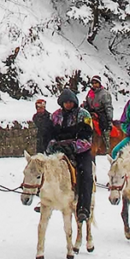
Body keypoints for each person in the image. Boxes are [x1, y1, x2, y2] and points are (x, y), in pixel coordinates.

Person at [46, 88, 94, 222]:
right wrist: (53, 145)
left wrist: (74, 146)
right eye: (65, 102)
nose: (68, 105)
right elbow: (49, 135)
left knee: (86, 174)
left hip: (79, 150)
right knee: (46, 169)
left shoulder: (84, 115)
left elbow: (88, 137)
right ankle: (45, 199)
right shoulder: (55, 116)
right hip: (59, 149)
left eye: (70, 102)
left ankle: (83, 207)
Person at [81, 75, 114, 153]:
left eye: (96, 83)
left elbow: (108, 107)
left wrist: (109, 119)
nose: (94, 85)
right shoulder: (90, 93)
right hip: (90, 113)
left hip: (101, 113)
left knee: (104, 127)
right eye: (93, 83)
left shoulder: (104, 93)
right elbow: (87, 102)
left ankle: (107, 145)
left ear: (99, 83)